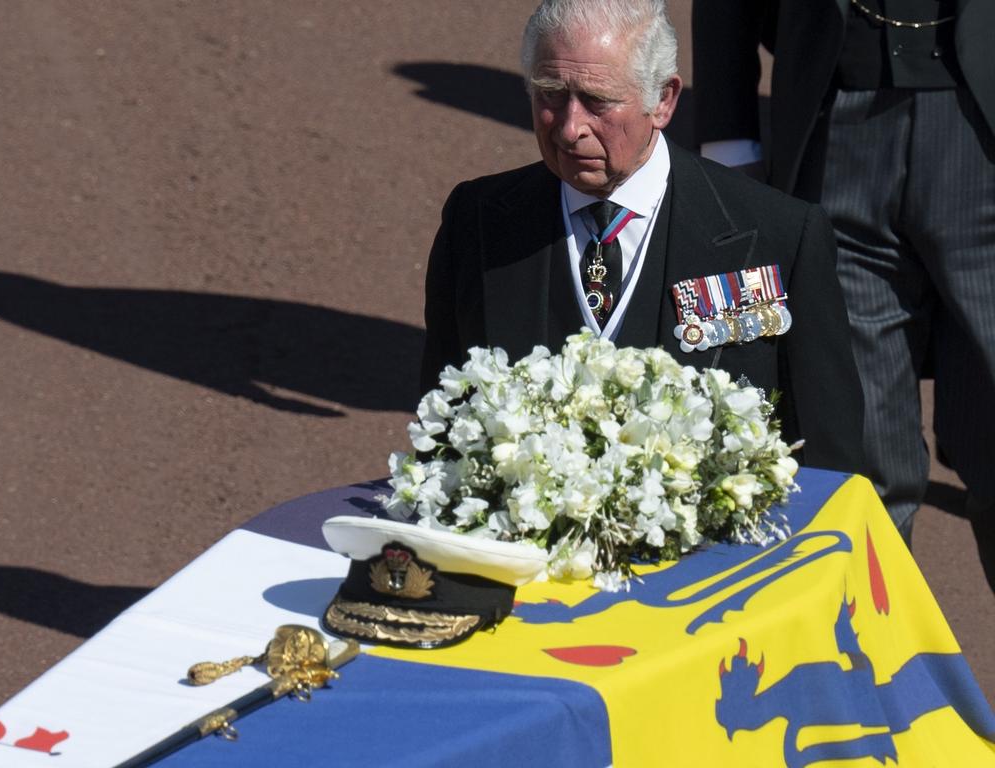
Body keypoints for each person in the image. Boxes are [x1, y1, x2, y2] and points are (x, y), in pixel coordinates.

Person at [421, 0, 866, 475]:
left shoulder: (779, 234)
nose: (570, 129)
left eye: (598, 100)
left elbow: (827, 459)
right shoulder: (479, 221)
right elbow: (443, 429)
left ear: (664, 100)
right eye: (550, 94)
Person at [691, 0, 995, 547]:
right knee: (861, 461)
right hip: (833, 126)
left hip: (982, 135)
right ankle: (876, 631)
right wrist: (728, 137)